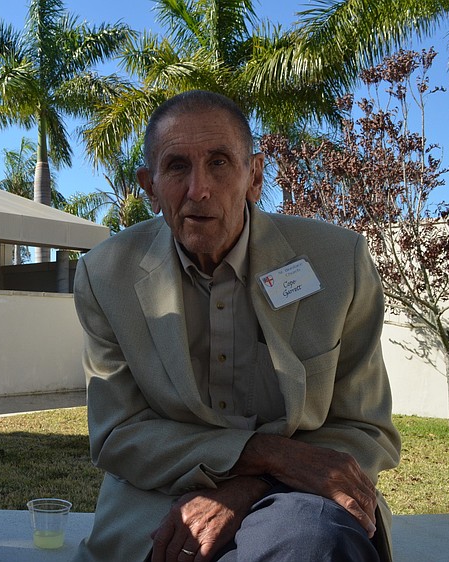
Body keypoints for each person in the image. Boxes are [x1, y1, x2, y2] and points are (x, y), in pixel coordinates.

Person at [72, 90, 401, 562]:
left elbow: (365, 428)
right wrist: (270, 453)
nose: (198, 189)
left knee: (311, 545)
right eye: (177, 166)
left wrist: (252, 483)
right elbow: (118, 434)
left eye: (220, 162)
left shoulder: (337, 263)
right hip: (160, 497)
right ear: (150, 186)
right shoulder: (106, 275)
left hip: (301, 496)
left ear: (255, 176)